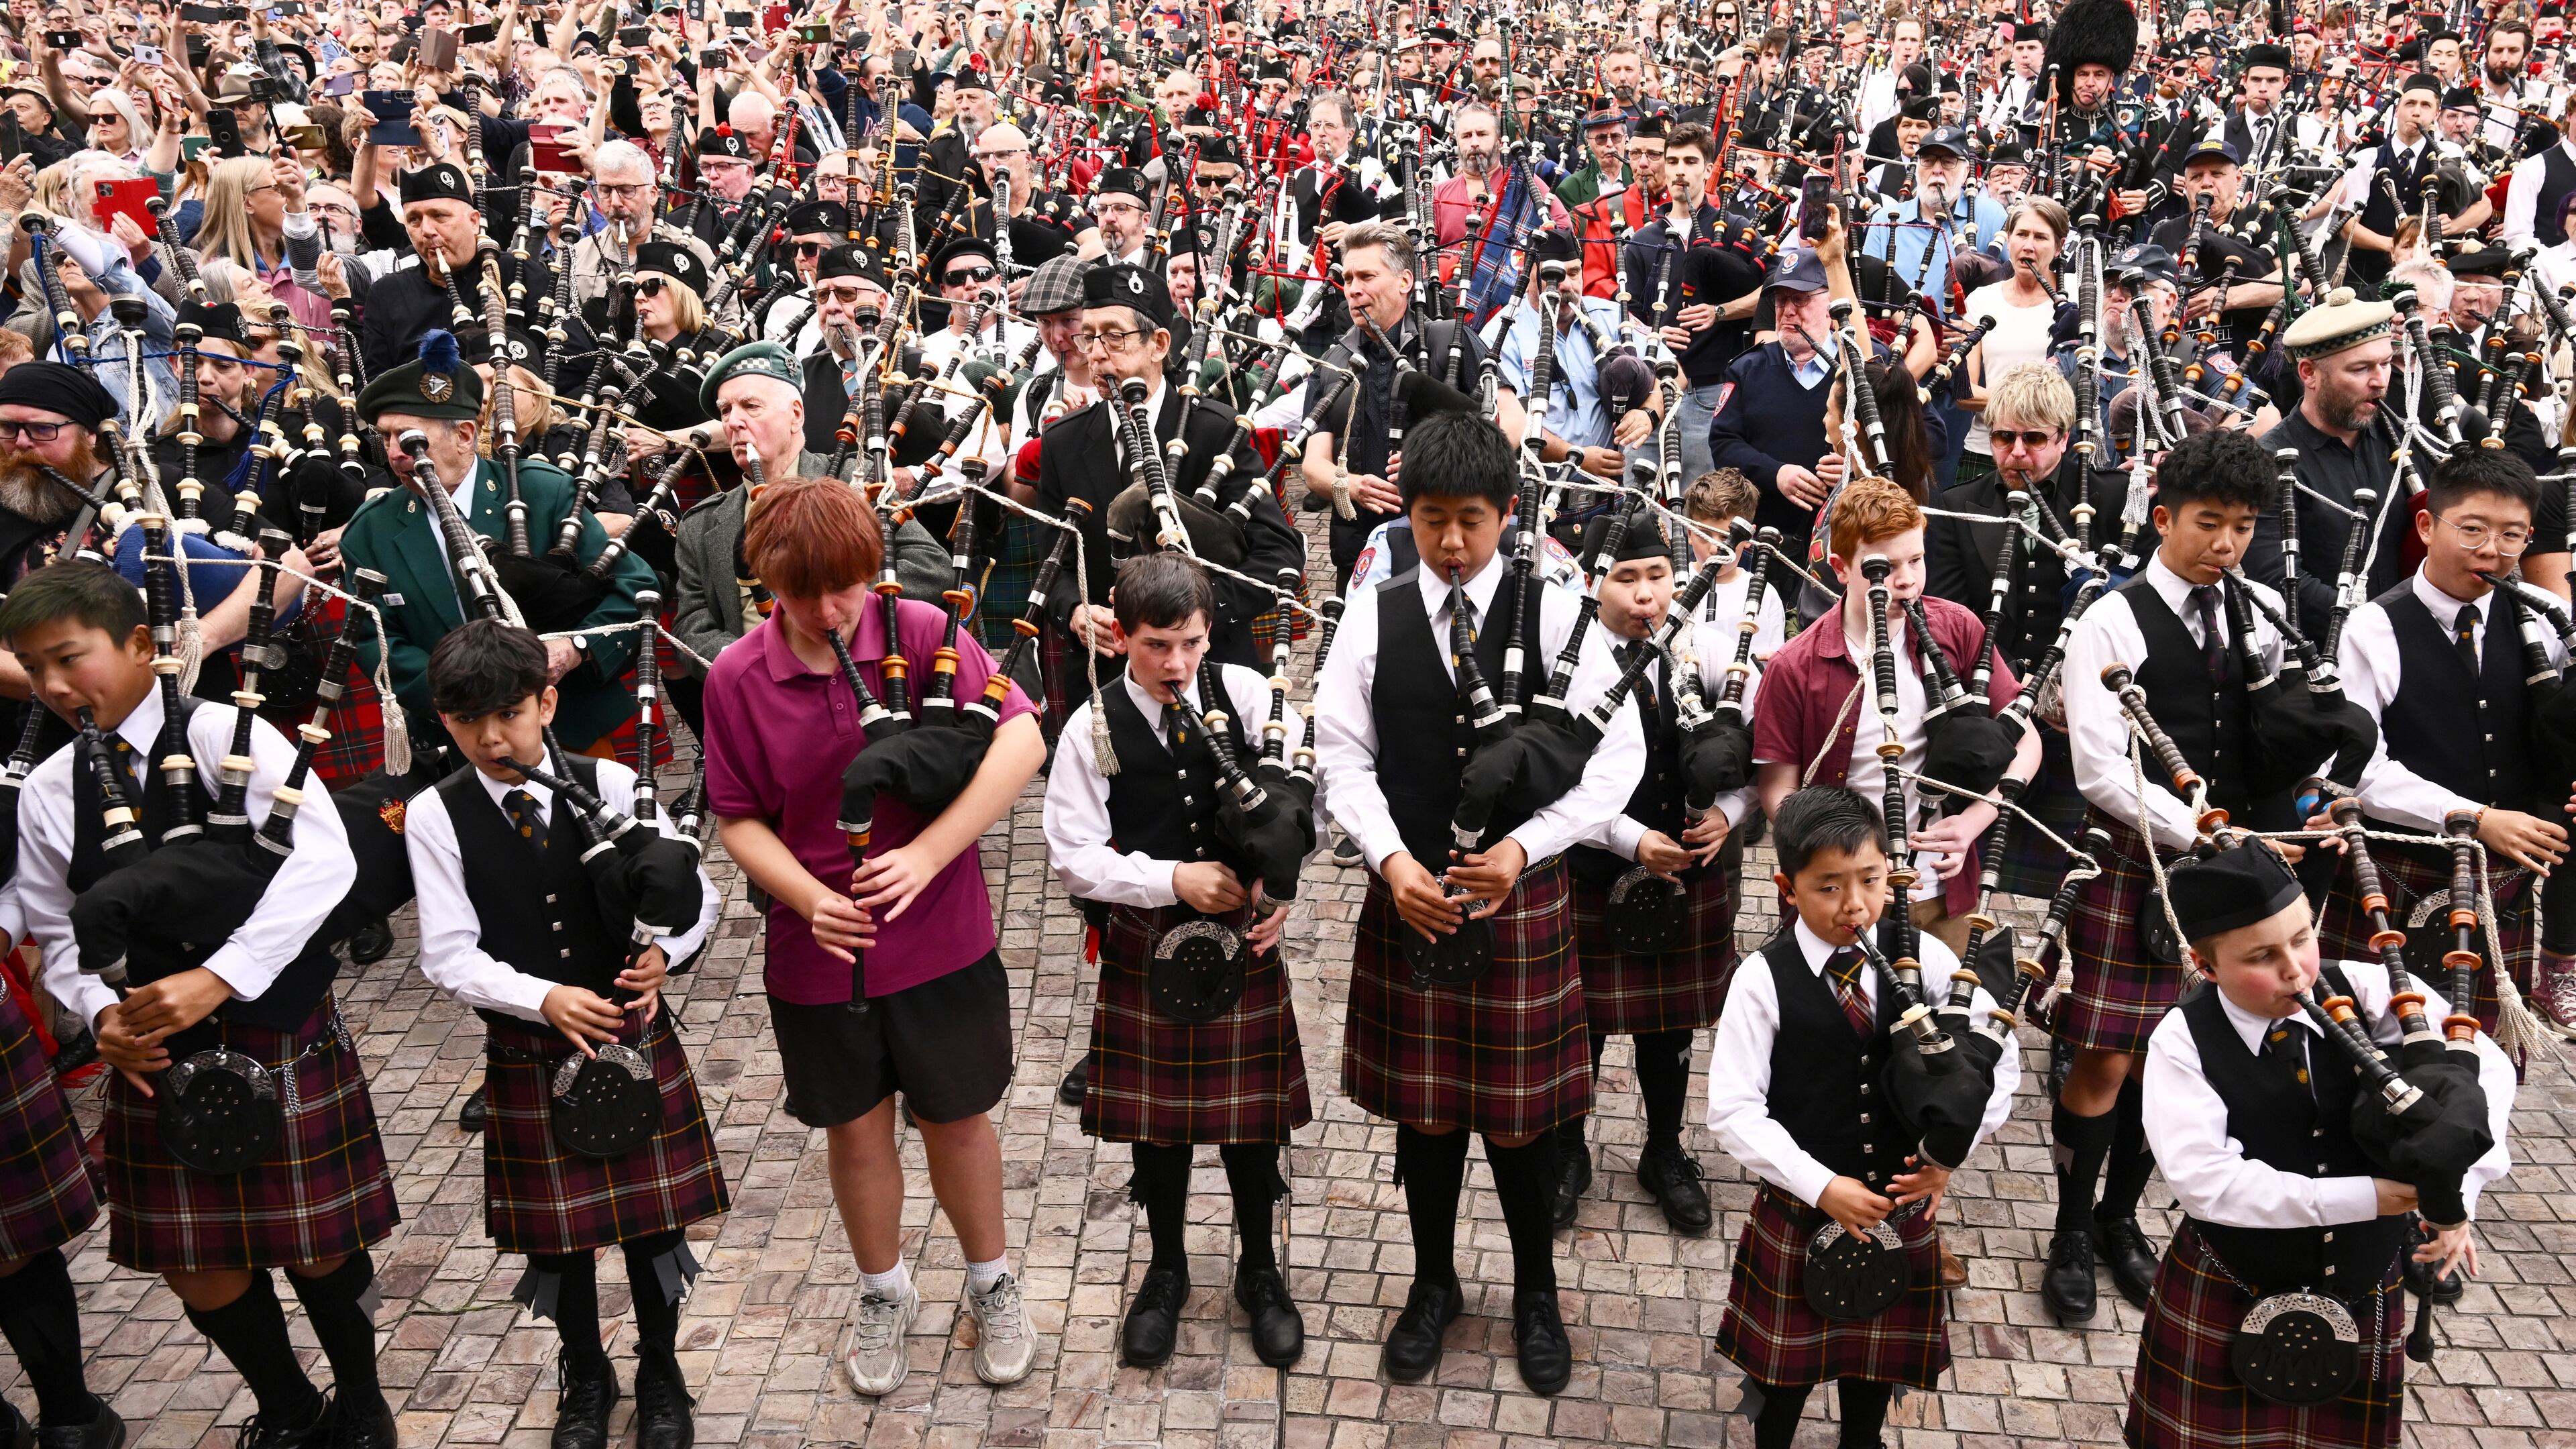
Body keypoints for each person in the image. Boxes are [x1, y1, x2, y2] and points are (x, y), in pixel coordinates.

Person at [6, 560, 397, 1449]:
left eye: (71, 658)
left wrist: (221, 975)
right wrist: (98, 1015)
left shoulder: (232, 731)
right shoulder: (47, 788)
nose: (56, 686)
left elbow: (325, 861)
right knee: (198, 1266)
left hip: (276, 1027)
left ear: (144, 646)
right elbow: (53, 928)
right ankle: (292, 1409)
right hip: (155, 1058)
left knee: (321, 1246)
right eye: (33, 668)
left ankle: (364, 1400)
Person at [1311, 406, 1645, 1395]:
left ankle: (1536, 1291)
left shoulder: (1556, 613)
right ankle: (1433, 1285)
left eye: (1470, 519)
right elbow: (1342, 755)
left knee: (1517, 1124)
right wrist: (1388, 863)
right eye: (1429, 520)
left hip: (1518, 903)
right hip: (1411, 900)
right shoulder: (1374, 610)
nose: (1451, 542)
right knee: (1426, 1119)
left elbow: (1612, 759)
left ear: (1508, 513)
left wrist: (1525, 851)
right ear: (1403, 516)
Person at [700, 478, 1045, 1398]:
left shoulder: (923, 632)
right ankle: (883, 1291)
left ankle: (992, 1282)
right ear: (763, 575)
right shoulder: (737, 675)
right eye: (800, 591)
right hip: (821, 952)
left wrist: (932, 851)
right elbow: (737, 819)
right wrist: (809, 898)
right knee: (856, 1135)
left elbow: (1022, 743)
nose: (825, 610)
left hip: (942, 935)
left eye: (845, 585)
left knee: (958, 1119)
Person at [403, 619, 726, 1449]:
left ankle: (662, 1369)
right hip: (530, 1049)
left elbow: (698, 897)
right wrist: (543, 997)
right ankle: (585, 1371)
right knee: (561, 1241)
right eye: (465, 720)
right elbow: (447, 953)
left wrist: (665, 954)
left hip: (627, 1035)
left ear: (547, 702)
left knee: (654, 1227)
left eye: (507, 714)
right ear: (443, 720)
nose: (488, 736)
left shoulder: (612, 785)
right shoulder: (437, 817)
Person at [2124, 836, 2514, 1449]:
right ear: (2205, 965)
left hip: (2362, 1287)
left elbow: (2484, 1072)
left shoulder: (2375, 993)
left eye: (2303, 938)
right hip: (2231, 1280)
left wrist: (2454, 1190)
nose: (2295, 968)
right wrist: (2373, 1197)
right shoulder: (2184, 1040)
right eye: (2262, 956)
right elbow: (2209, 1183)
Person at [2050, 426, 2312, 1328]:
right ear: (2163, 516)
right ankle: (2069, 1231)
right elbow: (2097, 768)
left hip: (2232, 866)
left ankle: (2122, 1218)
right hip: (2140, 857)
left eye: (2242, 526)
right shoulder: (2112, 618)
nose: (2227, 544)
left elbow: (2265, 733)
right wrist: (2199, 831)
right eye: (2209, 523)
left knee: (2181, 1056)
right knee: (2107, 1053)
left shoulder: (2256, 609)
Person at [1040, 551, 1311, 1371]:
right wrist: (1170, 879)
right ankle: (1165, 1270)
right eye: (1157, 645)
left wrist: (1280, 887)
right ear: (1122, 636)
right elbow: (1072, 854)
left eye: (1190, 642)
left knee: (1251, 1123)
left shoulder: (1250, 694)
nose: (1177, 664)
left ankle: (1261, 1271)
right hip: (1149, 943)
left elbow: (1302, 798)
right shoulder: (1093, 727)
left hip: (1244, 938)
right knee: (1157, 1131)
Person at [1704, 784, 2017, 1449]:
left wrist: (1946, 1158)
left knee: (1874, 1363)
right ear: (1788, 888)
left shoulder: (1929, 961)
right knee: (1784, 1375)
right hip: (1803, 1206)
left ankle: (1862, 1441)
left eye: (1871, 880)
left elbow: (1995, 1058)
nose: (1855, 904)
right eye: (1830, 887)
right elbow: (1732, 1110)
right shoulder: (1762, 979)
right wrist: (1821, 1186)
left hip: (1902, 1208)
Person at [1551, 504, 1756, 1236]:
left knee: (1668, 1031)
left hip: (1687, 874)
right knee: (1585, 1024)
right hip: (1595, 868)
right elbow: (1556, 787)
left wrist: (1727, 815)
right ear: (1592, 582)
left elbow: (1754, 755)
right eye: (1626, 579)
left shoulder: (1712, 650)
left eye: (1659, 577)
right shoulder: (1568, 661)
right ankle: (1569, 1152)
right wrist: (1632, 838)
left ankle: (1664, 1153)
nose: (1646, 596)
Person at [2331, 447, 2576, 1029]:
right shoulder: (2373, 627)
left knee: (2484, 1049)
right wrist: (2475, 816)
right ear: (2426, 525)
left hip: (2502, 880)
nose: (2492, 551)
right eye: (2472, 530)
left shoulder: (2545, 617)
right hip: (2398, 866)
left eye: (2512, 536)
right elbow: (2361, 767)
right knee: (2385, 1044)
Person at [338, 331, 655, 759]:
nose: (394, 453)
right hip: (454, 737)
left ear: (466, 434)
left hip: (568, 725)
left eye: (409, 438)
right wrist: (463, 692)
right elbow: (374, 640)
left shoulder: (543, 494)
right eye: (386, 437)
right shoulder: (370, 532)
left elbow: (633, 585)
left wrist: (574, 649)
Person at [1035, 263, 1305, 684]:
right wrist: (1075, 612)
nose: (1097, 353)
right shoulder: (1062, 443)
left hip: (1208, 671)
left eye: (1114, 335)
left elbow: (1278, 555)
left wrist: (1190, 614)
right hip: (1105, 673)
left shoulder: (1217, 431)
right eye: (1088, 336)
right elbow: (1053, 560)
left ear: (1159, 344)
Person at [1297, 221, 1498, 586]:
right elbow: (1314, 465)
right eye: (1348, 279)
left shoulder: (1448, 341)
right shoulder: (1332, 363)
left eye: (1367, 277)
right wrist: (1351, 484)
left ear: (1405, 281)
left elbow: (1510, 423)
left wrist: (1444, 454)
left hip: (1447, 549)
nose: (1354, 290)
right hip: (1360, 550)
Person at [2251, 289, 2410, 641]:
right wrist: (2377, 622)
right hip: (2321, 652)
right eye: (2360, 368)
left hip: (2410, 643)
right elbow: (2274, 573)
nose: (2380, 381)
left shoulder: (2402, 439)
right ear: (2308, 372)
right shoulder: (2269, 460)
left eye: (2384, 363)